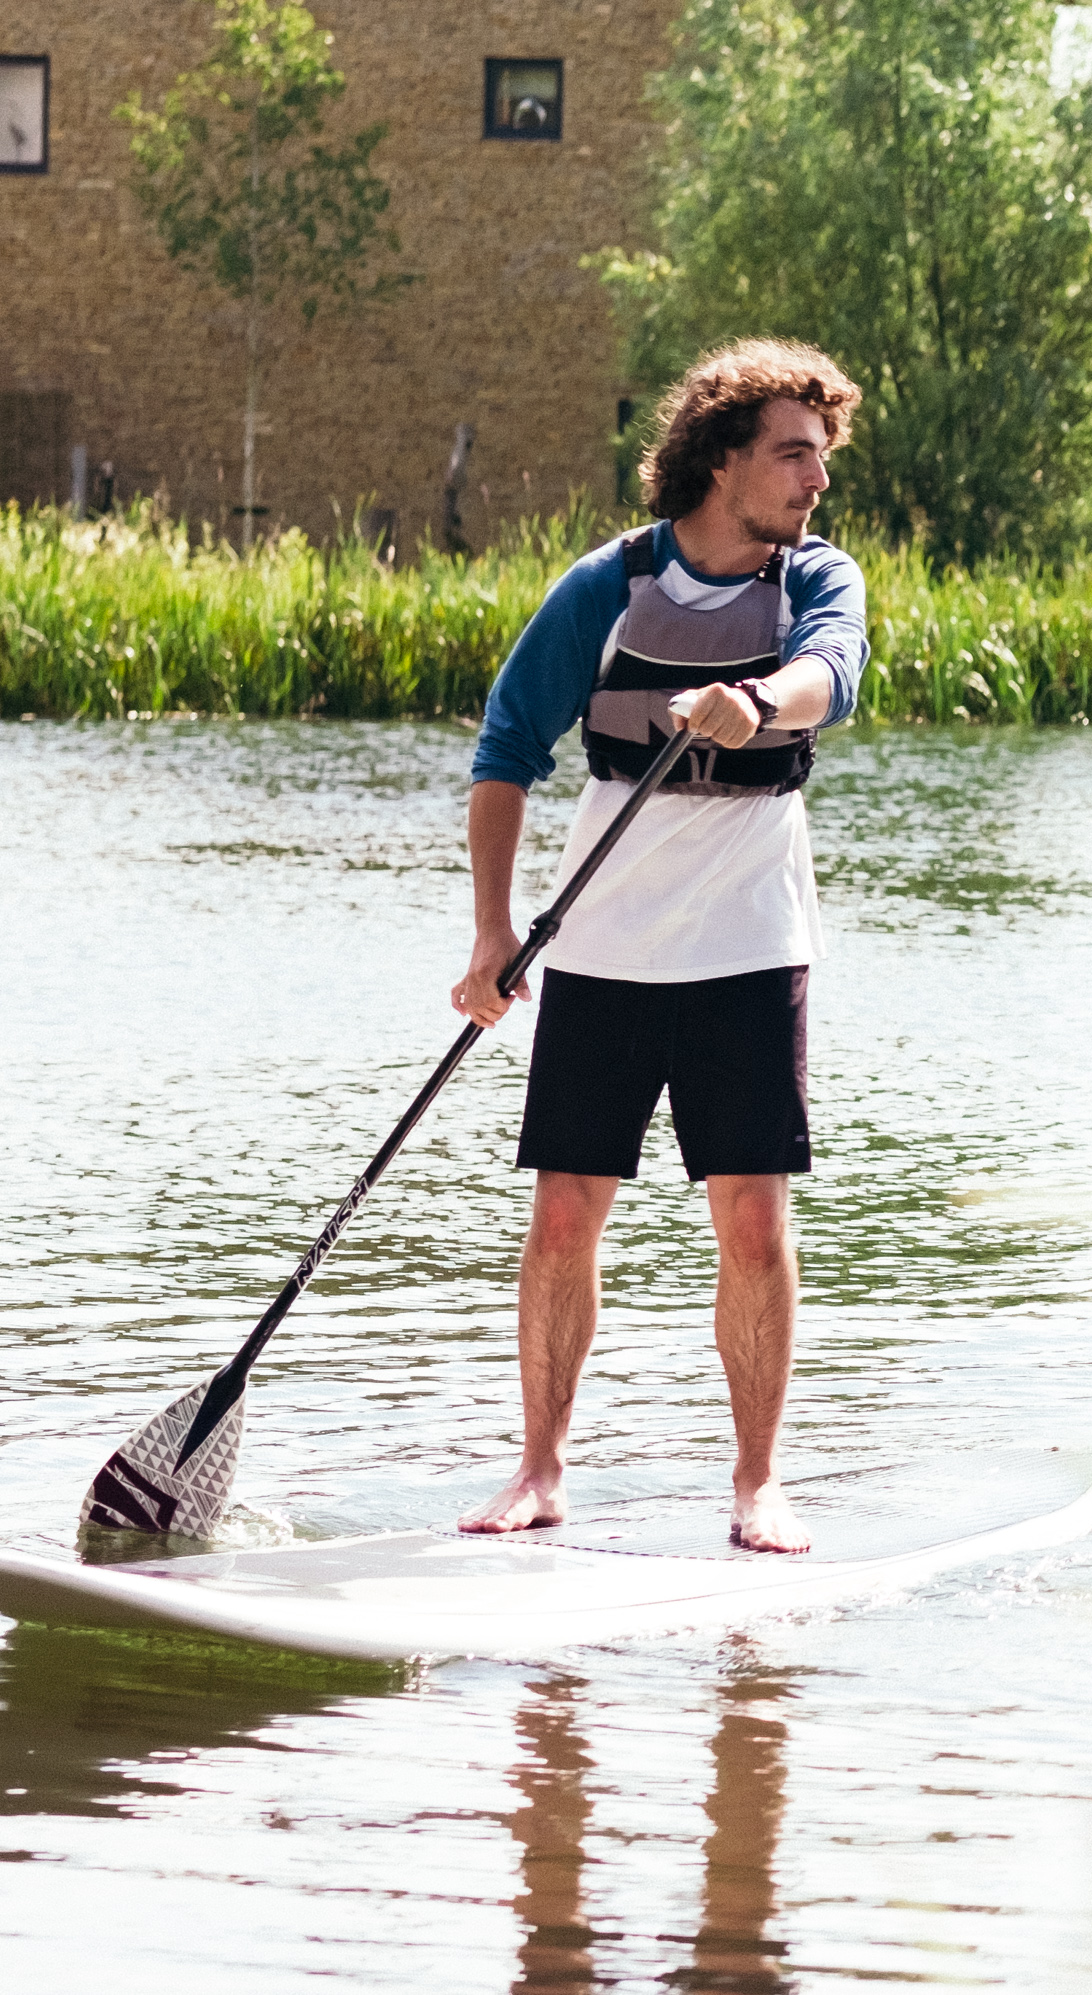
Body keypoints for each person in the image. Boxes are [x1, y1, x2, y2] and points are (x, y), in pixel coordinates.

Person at [449, 342, 871, 1554]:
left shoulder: (815, 582)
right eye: (793, 453)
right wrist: (492, 932)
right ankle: (537, 1470)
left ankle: (756, 1483)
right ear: (720, 459)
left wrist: (758, 702)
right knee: (565, 1217)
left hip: (749, 945)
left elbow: (829, 680)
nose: (815, 479)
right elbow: (503, 755)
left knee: (751, 1219)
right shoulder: (609, 588)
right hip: (602, 950)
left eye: (822, 456)